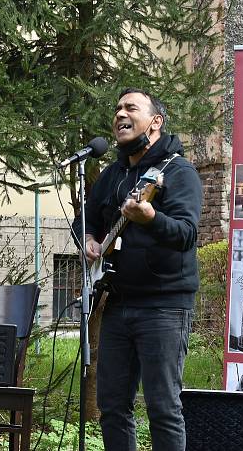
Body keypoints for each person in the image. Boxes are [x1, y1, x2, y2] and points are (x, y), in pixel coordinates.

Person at [73, 88, 202, 451]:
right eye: (117, 109)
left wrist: (150, 218)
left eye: (130, 107)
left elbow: (187, 235)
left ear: (155, 122)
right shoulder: (113, 174)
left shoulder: (178, 171)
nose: (120, 114)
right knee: (112, 406)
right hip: (117, 303)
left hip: (164, 307)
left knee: (163, 407)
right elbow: (86, 217)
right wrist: (87, 238)